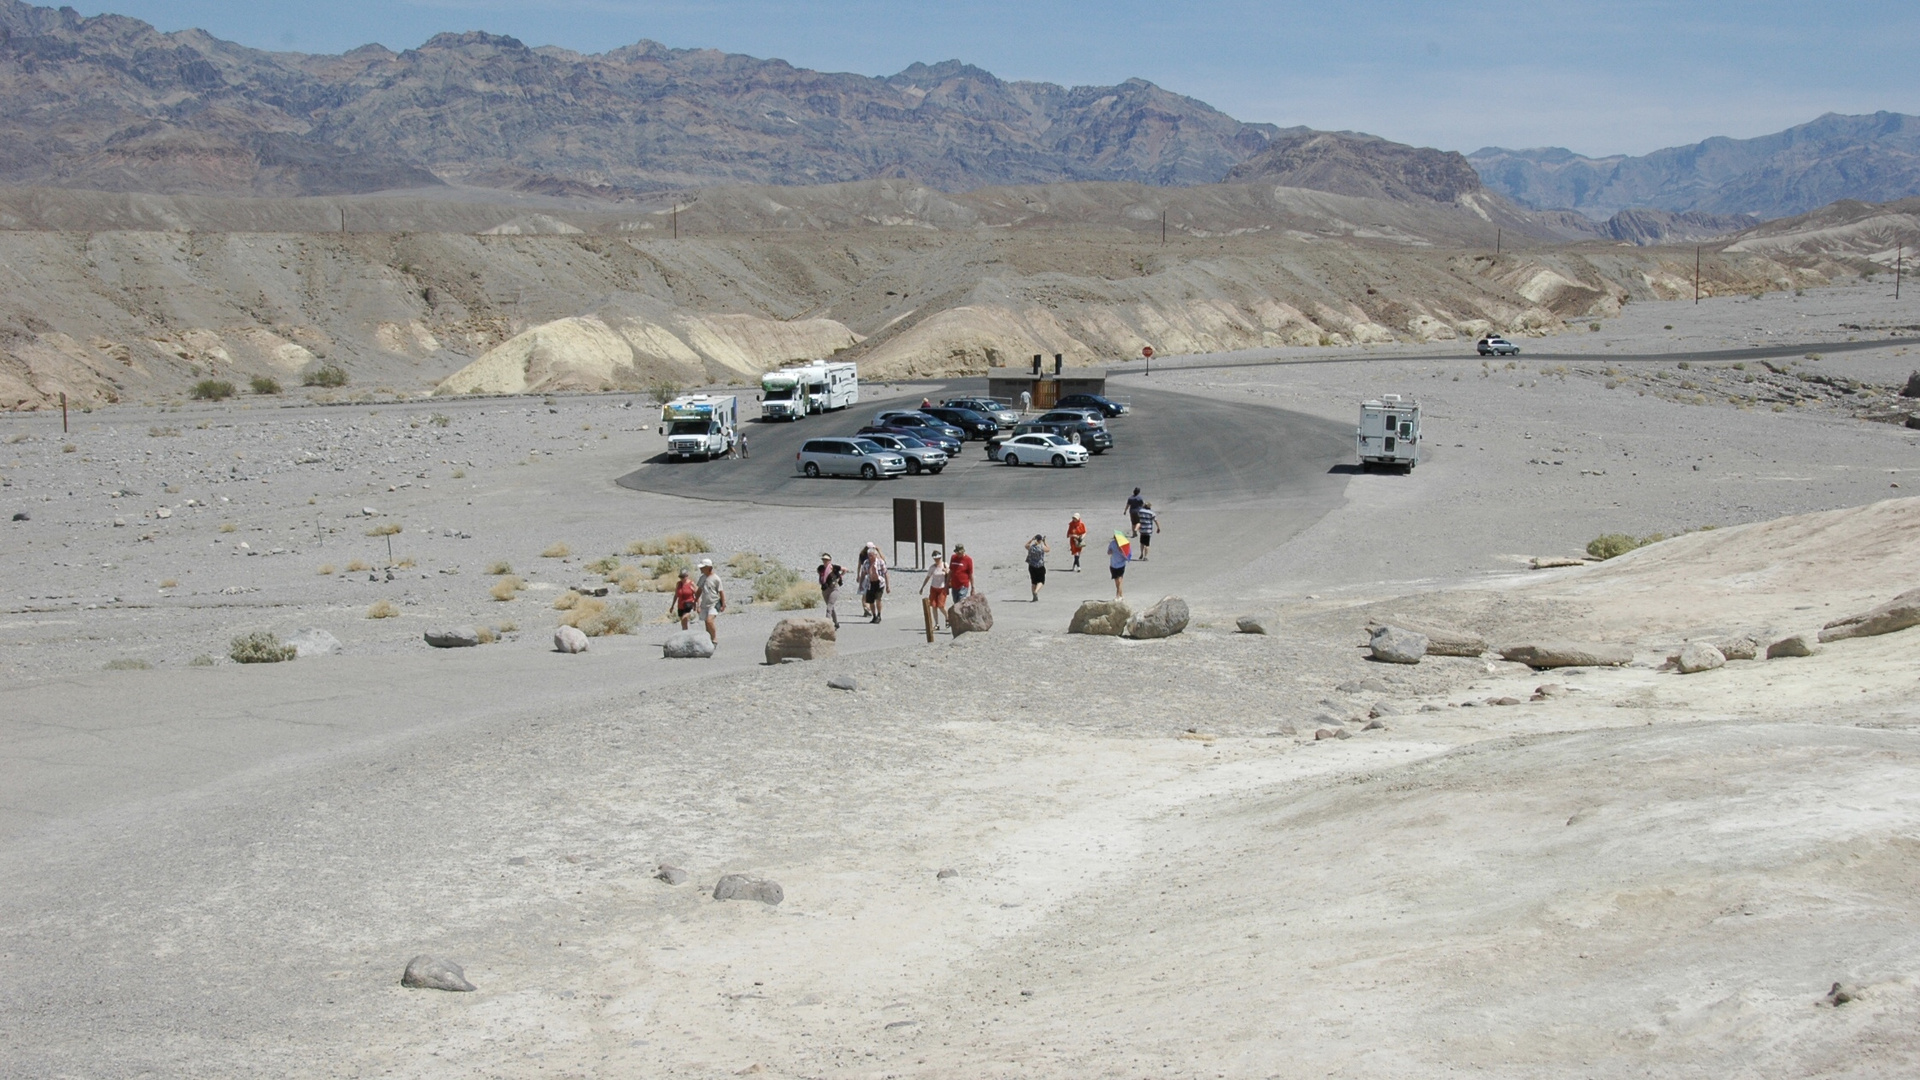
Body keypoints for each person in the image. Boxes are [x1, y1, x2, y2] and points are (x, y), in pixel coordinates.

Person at [695, 558, 727, 644]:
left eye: (703, 567)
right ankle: (709, 640)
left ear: (708, 567)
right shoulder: (702, 578)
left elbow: (721, 591)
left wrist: (723, 603)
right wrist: (696, 603)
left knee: (710, 620)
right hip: (704, 604)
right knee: (706, 622)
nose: (701, 569)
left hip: (714, 603)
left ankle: (714, 638)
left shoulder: (716, 579)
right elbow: (699, 591)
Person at [859, 544, 890, 623]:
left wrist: (887, 586)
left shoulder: (880, 562)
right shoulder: (866, 563)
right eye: (869, 555)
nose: (870, 557)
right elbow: (863, 574)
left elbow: (886, 573)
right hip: (870, 583)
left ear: (875, 555)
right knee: (870, 601)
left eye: (871, 555)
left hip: (879, 583)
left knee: (878, 599)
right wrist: (860, 585)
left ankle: (879, 615)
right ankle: (874, 615)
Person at [919, 550, 949, 629]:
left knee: (941, 606)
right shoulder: (932, 567)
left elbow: (950, 574)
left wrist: (947, 572)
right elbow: (928, 577)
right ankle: (937, 624)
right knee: (934, 605)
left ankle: (947, 618)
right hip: (933, 588)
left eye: (938, 558)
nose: (937, 560)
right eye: (935, 559)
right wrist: (922, 587)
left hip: (942, 588)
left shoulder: (945, 565)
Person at [817, 553, 844, 628]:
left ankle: (826, 625)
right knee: (831, 607)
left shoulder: (834, 567)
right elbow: (821, 577)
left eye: (826, 560)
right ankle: (836, 623)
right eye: (824, 560)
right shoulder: (820, 568)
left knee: (829, 607)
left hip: (834, 589)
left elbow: (845, 569)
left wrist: (840, 577)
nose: (825, 561)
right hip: (825, 589)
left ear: (830, 560)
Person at [1025, 534, 1050, 601]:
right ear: (1040, 540)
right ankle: (1036, 591)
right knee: (1041, 581)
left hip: (1031, 566)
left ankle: (1034, 594)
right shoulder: (1041, 547)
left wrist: (1031, 540)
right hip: (1040, 566)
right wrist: (1045, 542)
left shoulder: (1031, 547)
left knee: (1033, 582)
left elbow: (1026, 545)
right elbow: (1048, 549)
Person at [856, 544, 876, 617]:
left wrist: (858, 575)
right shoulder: (873, 556)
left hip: (864, 576)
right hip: (869, 576)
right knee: (868, 593)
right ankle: (867, 608)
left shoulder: (861, 555)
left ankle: (866, 608)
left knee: (864, 594)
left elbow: (859, 567)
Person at [1108, 532, 1129, 598]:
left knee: (1119, 581)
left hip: (1121, 565)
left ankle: (1117, 595)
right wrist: (1110, 551)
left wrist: (1122, 552)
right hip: (1113, 564)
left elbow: (1127, 558)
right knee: (1117, 582)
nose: (1116, 540)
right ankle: (1121, 595)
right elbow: (1108, 552)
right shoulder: (1112, 543)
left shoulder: (1123, 545)